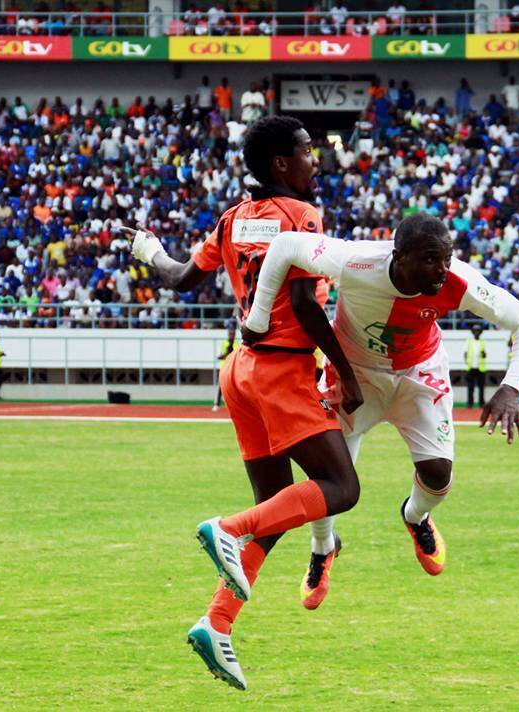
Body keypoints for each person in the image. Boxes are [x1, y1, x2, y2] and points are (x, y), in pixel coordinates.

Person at [127, 115, 364, 691]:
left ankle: (217, 623)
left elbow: (183, 277)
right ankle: (226, 528)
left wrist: (150, 251)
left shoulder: (233, 218)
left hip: (239, 371)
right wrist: (345, 369)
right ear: (281, 163)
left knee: (279, 509)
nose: (316, 160)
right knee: (342, 488)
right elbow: (307, 303)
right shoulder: (301, 216)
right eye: (308, 151)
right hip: (282, 369)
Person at [242, 212, 519, 608]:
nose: (442, 269)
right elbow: (285, 246)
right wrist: (258, 317)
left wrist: (510, 389)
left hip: (418, 375)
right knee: (328, 479)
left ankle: (415, 517)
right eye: (431, 259)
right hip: (354, 376)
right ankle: (322, 548)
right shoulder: (355, 261)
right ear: (399, 257)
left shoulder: (458, 281)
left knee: (438, 473)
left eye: (446, 258)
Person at [213, 323, 237, 412]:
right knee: (220, 387)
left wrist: (230, 352)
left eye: (233, 333)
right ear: (228, 334)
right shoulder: (224, 343)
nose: (232, 335)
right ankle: (217, 404)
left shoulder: (236, 343)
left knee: (233, 388)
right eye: (230, 333)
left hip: (232, 369)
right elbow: (222, 355)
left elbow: (235, 355)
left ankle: (233, 405)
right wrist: (227, 352)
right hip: (224, 368)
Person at [464, 323, 487, 409]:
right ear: (472, 332)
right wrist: (466, 362)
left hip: (480, 368)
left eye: (478, 331)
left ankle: (482, 403)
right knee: (470, 387)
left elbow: (485, 355)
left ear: (480, 332)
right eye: (475, 331)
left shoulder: (482, 342)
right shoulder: (469, 342)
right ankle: (470, 403)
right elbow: (465, 353)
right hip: (471, 368)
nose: (476, 332)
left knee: (481, 387)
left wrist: (484, 354)